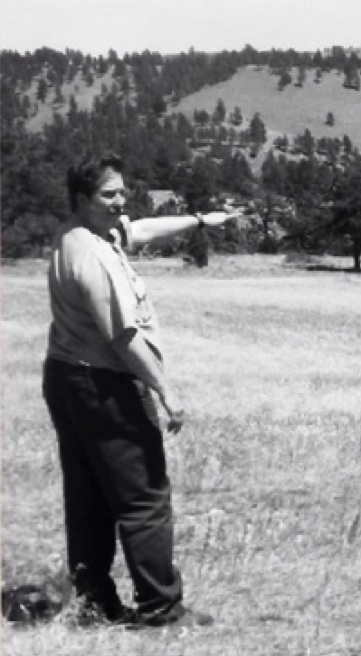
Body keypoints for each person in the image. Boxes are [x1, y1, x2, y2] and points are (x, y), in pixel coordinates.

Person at [43, 155, 237, 628]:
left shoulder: (83, 236)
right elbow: (123, 337)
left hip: (67, 377)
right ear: (82, 200)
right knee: (143, 496)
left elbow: (144, 229)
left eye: (121, 192)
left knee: (89, 496)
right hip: (103, 383)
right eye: (108, 195)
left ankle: (93, 603)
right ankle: (161, 608)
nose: (120, 202)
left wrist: (198, 220)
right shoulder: (92, 257)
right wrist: (166, 390)